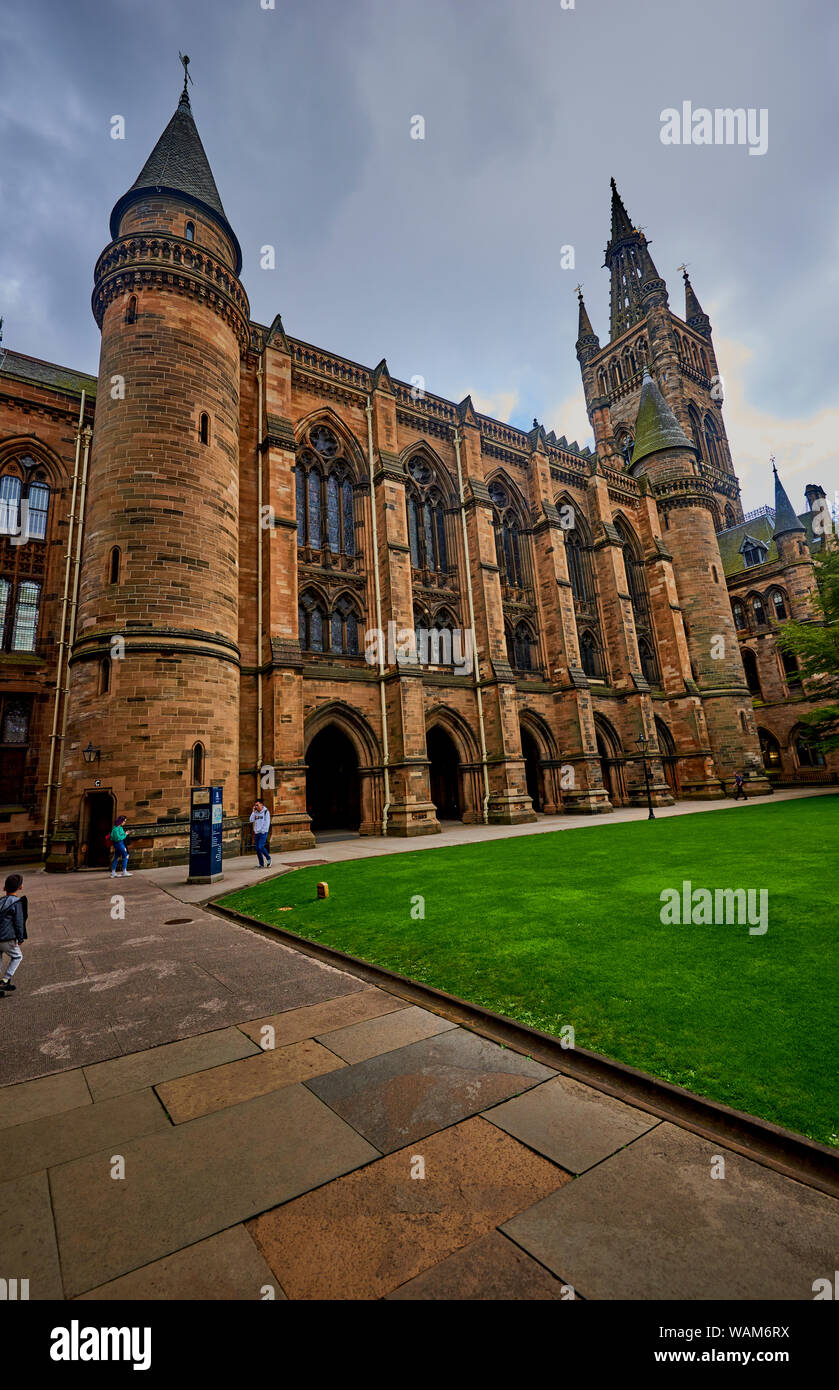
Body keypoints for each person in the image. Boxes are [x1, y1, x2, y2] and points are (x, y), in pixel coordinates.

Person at [0, 872, 27, 998]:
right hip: (7, 938)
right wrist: (20, 937)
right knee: (17, 956)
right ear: (20, 887)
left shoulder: (1, 901)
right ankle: (5, 980)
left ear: (4, 888)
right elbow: (19, 922)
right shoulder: (17, 903)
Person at [249, 800, 272, 868]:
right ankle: (261, 864)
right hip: (257, 833)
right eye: (255, 805)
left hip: (263, 832)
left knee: (261, 847)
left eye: (257, 805)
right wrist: (253, 812)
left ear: (261, 805)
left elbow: (267, 822)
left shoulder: (266, 812)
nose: (256, 807)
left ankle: (268, 858)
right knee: (257, 849)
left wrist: (263, 831)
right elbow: (251, 820)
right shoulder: (255, 812)